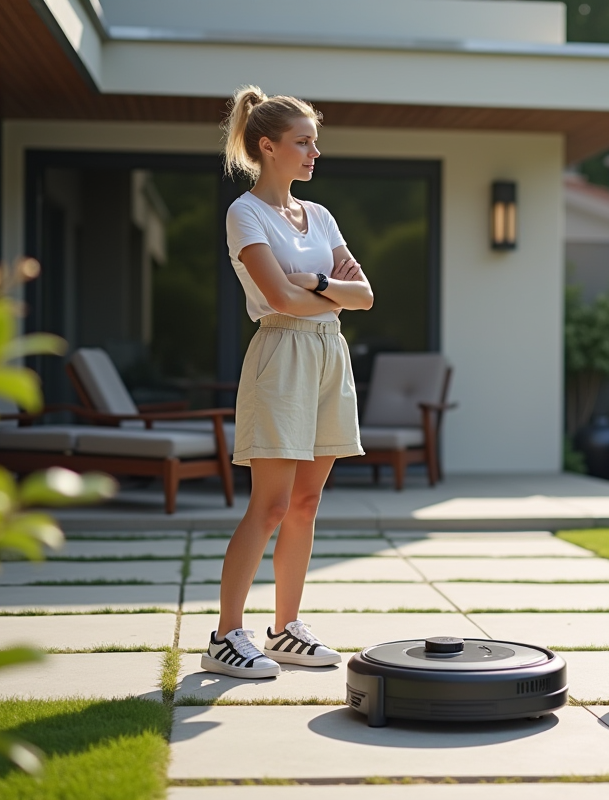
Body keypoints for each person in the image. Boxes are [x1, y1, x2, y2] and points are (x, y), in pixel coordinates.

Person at [203, 85, 374, 679]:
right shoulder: (243, 213)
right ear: (268, 146)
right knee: (271, 505)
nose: (313, 153)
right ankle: (226, 634)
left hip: (331, 354)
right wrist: (327, 288)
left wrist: (316, 282)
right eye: (303, 142)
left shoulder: (319, 215)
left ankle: (285, 629)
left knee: (305, 502)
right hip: (281, 353)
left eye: (315, 143)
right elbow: (276, 296)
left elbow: (366, 296)